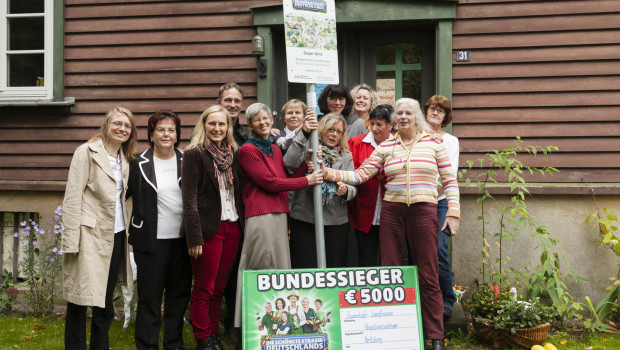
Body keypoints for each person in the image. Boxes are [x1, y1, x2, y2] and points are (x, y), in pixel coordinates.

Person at [321, 98, 460, 350]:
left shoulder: (433, 144)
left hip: (424, 212)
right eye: (400, 113)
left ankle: (435, 336)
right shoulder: (386, 147)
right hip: (392, 214)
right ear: (395, 119)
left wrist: (453, 212)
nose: (404, 116)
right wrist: (330, 173)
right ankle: (392, 335)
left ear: (417, 116)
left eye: (409, 112)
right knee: (390, 273)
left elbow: (450, 180)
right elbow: (360, 175)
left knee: (428, 275)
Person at [233, 103, 323, 330]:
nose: (263, 123)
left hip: (280, 214)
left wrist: (306, 165)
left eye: (266, 118)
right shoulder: (247, 150)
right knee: (260, 267)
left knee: (279, 268)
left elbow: (283, 177)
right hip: (261, 215)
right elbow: (270, 183)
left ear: (272, 121)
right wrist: (307, 181)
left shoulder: (273, 149)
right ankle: (250, 325)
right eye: (257, 120)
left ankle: (278, 324)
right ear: (250, 125)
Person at [61, 106, 137, 350]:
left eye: (127, 126)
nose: (122, 128)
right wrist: (71, 241)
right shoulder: (86, 152)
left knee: (104, 301)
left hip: (115, 236)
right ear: (106, 125)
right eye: (117, 123)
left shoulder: (125, 159)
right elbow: (72, 198)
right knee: (79, 299)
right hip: (88, 236)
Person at [126, 110, 192, 350]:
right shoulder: (137, 163)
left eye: (171, 130)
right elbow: (121, 195)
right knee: (149, 299)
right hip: (150, 241)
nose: (166, 134)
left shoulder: (188, 160)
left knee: (178, 297)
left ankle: (174, 344)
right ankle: (147, 344)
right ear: (151, 135)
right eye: (160, 130)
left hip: (183, 241)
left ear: (177, 135)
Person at [182, 105, 244, 350]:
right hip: (208, 229)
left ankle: (213, 334)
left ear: (228, 128)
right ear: (204, 126)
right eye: (212, 124)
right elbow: (189, 199)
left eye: (222, 124)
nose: (217, 128)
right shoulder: (194, 154)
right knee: (204, 288)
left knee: (219, 288)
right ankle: (203, 338)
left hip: (233, 227)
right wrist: (193, 237)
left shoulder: (233, 154)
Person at [284, 113, 356, 268]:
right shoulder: (307, 147)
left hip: (335, 221)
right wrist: (303, 135)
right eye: (330, 129)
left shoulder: (346, 156)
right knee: (304, 268)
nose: (334, 134)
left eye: (338, 131)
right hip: (304, 219)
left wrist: (345, 191)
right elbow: (289, 163)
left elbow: (353, 187)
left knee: (333, 268)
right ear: (322, 130)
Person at [424, 95, 459, 320]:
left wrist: (428, 193)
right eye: (431, 109)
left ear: (445, 117)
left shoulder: (451, 141)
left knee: (439, 250)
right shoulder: (417, 136)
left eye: (440, 111)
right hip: (416, 201)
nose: (435, 113)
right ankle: (423, 299)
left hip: (440, 202)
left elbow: (448, 176)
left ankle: (447, 299)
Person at [347, 104, 393, 267]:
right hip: (363, 209)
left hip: (391, 209)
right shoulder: (356, 143)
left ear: (390, 125)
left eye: (379, 124)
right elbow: (349, 171)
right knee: (366, 256)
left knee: (390, 257)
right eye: (371, 123)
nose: (374, 128)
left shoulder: (398, 144)